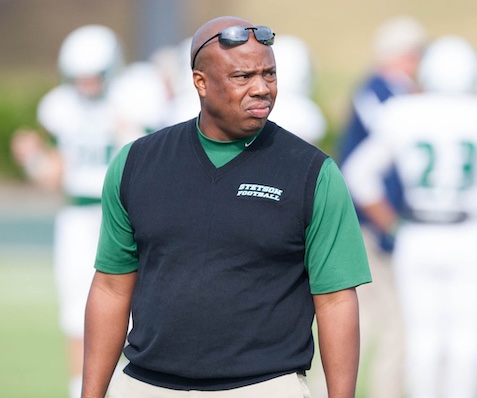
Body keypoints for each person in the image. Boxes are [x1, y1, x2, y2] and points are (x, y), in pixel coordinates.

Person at [81, 16, 372, 398]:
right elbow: (111, 289)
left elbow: (336, 300)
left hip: (267, 387)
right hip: (145, 385)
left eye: (269, 74)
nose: (261, 88)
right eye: (243, 76)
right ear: (200, 82)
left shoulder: (313, 173)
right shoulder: (136, 162)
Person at [10, 24, 146, 398]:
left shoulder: (134, 96)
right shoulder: (59, 105)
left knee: (133, 308)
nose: (86, 85)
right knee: (75, 309)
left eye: (94, 77)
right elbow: (55, 176)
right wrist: (35, 158)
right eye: (79, 77)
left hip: (123, 214)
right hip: (78, 216)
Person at [342, 35, 477, 398]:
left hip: (417, 231)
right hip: (467, 234)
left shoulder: (404, 112)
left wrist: (390, 221)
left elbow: (357, 173)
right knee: (466, 339)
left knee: (422, 337)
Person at [337, 16, 427, 398]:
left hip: (372, 223)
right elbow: (365, 171)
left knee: (367, 320)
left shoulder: (381, 91)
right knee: (390, 324)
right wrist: (389, 223)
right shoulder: (384, 93)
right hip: (375, 225)